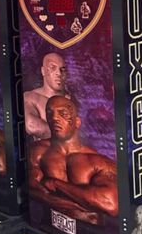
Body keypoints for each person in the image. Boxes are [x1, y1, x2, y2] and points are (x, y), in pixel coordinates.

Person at [28, 95, 118, 224]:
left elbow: (110, 204)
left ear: (77, 122)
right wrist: (58, 201)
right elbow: (30, 187)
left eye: (63, 114)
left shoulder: (99, 162)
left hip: (89, 231)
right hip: (47, 226)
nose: (54, 118)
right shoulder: (38, 151)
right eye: (50, 113)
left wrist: (56, 184)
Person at [23, 53, 70, 140]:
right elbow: (32, 126)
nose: (59, 73)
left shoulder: (72, 100)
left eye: (62, 69)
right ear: (43, 71)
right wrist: (67, 134)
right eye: (53, 68)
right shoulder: (31, 97)